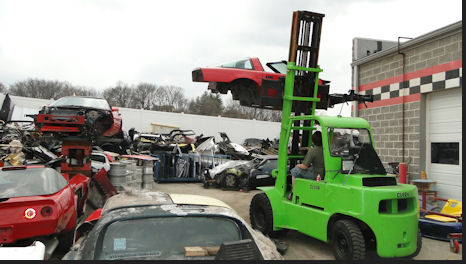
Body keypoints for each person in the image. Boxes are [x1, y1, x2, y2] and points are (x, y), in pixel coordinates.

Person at [289, 131, 325, 199]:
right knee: (310, 167)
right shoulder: (326, 149)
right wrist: (309, 149)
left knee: (295, 171)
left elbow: (304, 166)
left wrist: (297, 165)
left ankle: (293, 193)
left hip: (316, 175)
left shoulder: (312, 152)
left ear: (313, 140)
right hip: (323, 172)